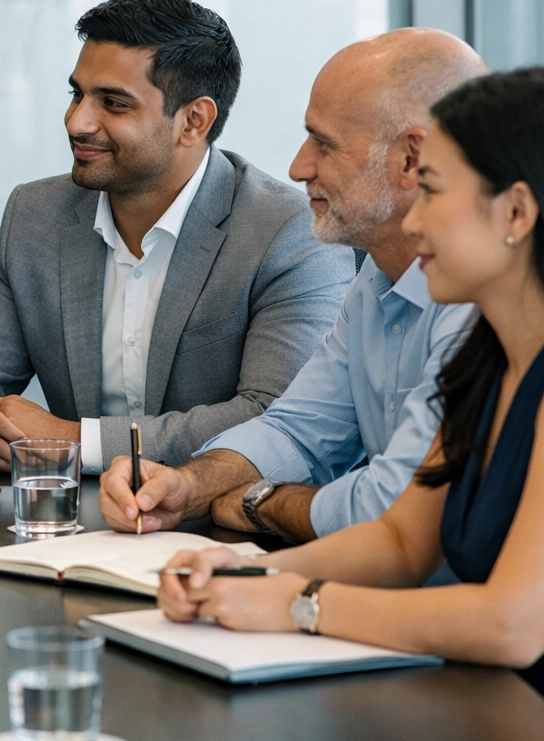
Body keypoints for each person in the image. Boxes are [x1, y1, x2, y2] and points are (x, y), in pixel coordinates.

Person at [157, 68, 544, 738]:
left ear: (516, 212)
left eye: (435, 193)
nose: (413, 219)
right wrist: (245, 569)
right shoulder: (487, 354)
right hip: (493, 719)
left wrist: (300, 603)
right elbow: (400, 541)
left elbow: (513, 624)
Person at [0, 0, 353, 470]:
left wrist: (75, 440)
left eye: (113, 104)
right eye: (77, 93)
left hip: (222, 528)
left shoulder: (288, 231)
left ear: (193, 121)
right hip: (68, 529)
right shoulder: (36, 214)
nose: (77, 122)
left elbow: (276, 417)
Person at [99, 29, 486, 542]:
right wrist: (187, 485)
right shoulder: (375, 276)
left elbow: (391, 507)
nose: (298, 167)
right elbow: (297, 431)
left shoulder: (482, 300)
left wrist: (260, 502)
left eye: (323, 144)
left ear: (412, 159)